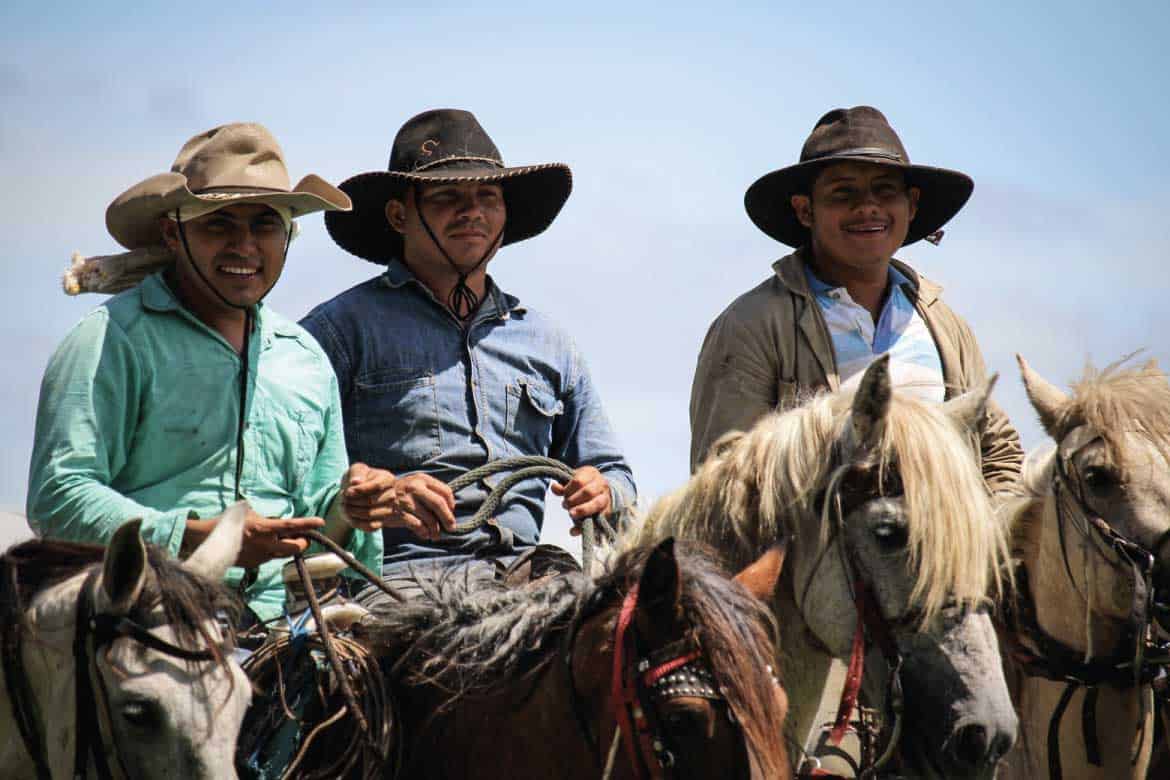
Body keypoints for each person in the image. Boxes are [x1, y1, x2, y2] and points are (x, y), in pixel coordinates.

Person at [27, 123, 393, 623]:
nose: (245, 246)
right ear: (172, 233)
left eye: (265, 226)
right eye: (219, 225)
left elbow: (317, 524)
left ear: (287, 235)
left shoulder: (305, 359)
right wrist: (199, 538)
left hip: (283, 625)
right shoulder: (111, 340)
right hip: (148, 623)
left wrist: (353, 506)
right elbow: (59, 497)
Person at [300, 109, 636, 595]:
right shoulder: (339, 331)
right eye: (447, 196)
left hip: (531, 575)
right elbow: (290, 479)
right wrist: (375, 495)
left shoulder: (548, 342)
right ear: (399, 216)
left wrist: (603, 491)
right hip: (399, 579)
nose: (472, 212)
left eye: (487, 197)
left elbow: (614, 473)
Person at [690, 106, 1022, 494]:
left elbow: (998, 454)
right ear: (805, 210)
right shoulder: (753, 325)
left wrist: (983, 522)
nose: (867, 207)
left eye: (885, 190)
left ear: (912, 205)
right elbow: (723, 476)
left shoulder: (945, 326)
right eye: (843, 193)